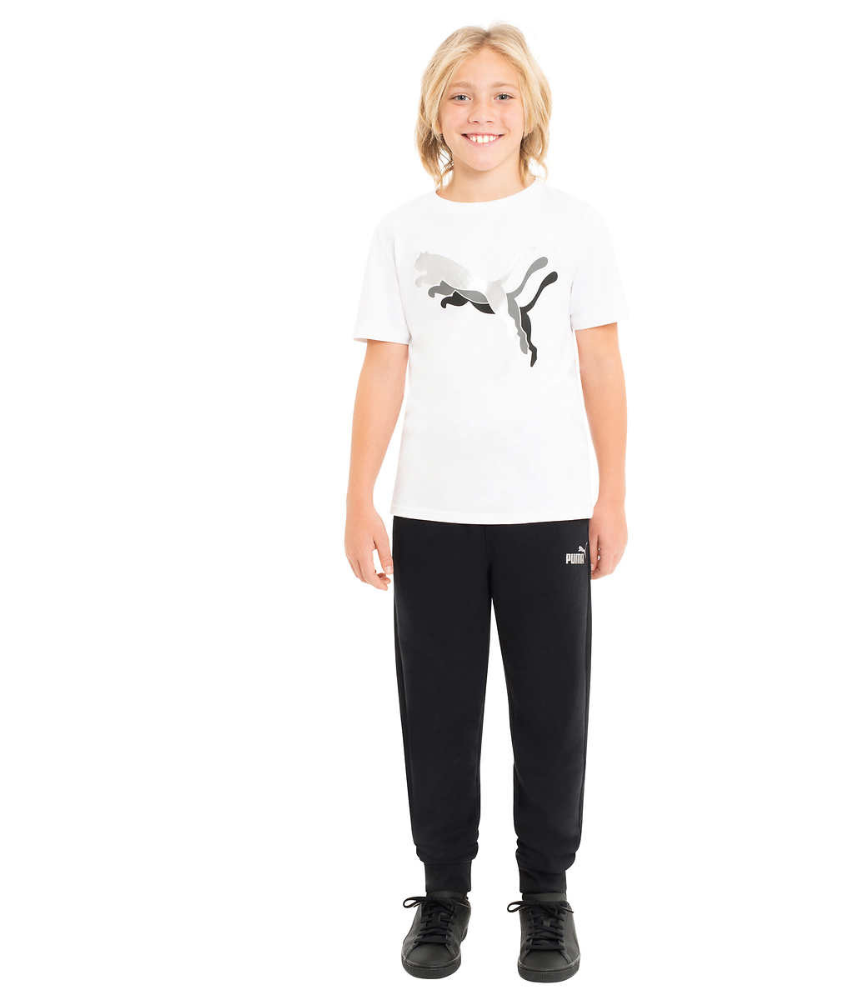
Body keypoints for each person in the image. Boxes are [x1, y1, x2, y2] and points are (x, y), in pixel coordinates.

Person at [344, 22, 628, 983]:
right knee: (437, 713)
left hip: (549, 510)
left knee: (552, 711)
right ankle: (444, 894)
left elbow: (601, 363)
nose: (482, 113)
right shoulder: (402, 232)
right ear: (435, 111)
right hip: (434, 514)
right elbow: (385, 367)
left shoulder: (574, 226)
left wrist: (612, 495)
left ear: (531, 110)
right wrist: (359, 496)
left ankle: (546, 898)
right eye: (461, 94)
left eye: (502, 94)